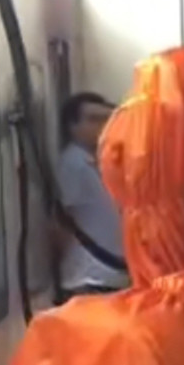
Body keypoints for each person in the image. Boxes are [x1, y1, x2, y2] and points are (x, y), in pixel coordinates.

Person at [55, 92, 129, 301]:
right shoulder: (73, 164)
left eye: (106, 119)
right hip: (88, 279)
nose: (102, 126)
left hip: (110, 277)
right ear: (72, 126)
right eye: (93, 119)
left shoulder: (101, 164)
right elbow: (59, 222)